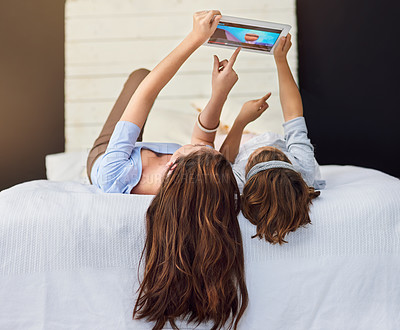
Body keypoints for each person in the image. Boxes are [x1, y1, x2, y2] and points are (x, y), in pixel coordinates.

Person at [86, 10, 248, 329]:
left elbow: (146, 93)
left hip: (107, 155)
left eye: (195, 149)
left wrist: (195, 38)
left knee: (139, 76)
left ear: (174, 163)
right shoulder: (194, 181)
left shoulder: (114, 173)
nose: (200, 144)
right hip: (143, 158)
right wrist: (220, 92)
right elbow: (202, 137)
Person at [219, 34, 325, 245]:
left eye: (260, 151)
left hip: (245, 141)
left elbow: (223, 160)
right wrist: (281, 60)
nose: (265, 144)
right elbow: (294, 116)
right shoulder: (303, 169)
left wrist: (240, 121)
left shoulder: (239, 181)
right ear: (289, 161)